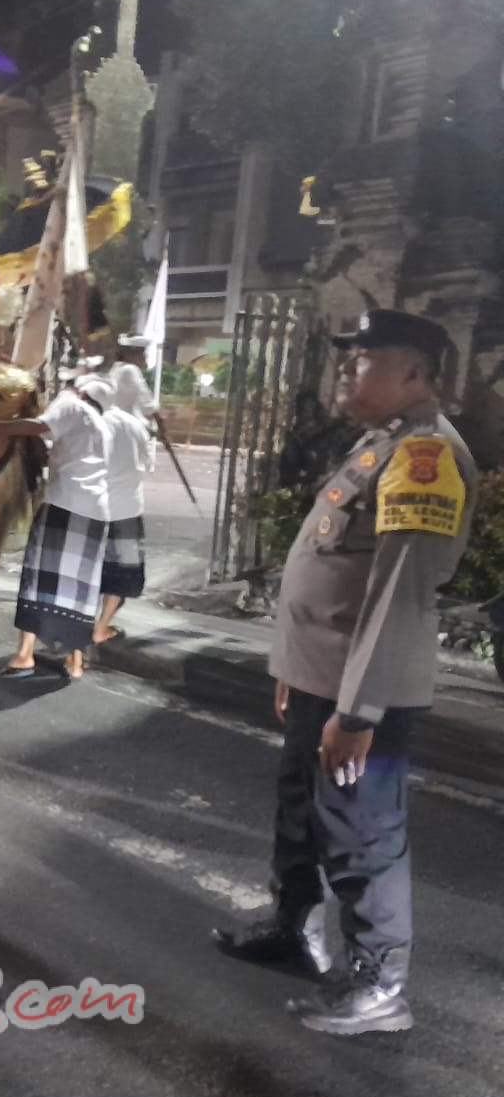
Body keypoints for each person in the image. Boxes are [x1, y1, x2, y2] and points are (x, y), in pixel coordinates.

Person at [214, 310, 477, 1035]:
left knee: (363, 833)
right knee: (302, 814)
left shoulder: (427, 459)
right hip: (320, 678)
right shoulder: (380, 445)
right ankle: (293, 930)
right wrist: (297, 672)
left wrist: (358, 712)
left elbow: (395, 596)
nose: (344, 370)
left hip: (366, 693)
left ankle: (379, 984)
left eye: (362, 360)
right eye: (345, 359)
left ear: (415, 374)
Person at [0, 373, 110, 680]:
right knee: (79, 588)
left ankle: (24, 656)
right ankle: (75, 662)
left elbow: (37, 427)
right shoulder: (102, 425)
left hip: (64, 506)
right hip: (96, 512)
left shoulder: (73, 406)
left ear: (81, 391)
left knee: (39, 578)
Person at [92, 379, 151, 645]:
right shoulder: (135, 425)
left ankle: (78, 630)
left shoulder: (90, 423)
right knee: (121, 576)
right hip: (126, 509)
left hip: (91, 508)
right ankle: (101, 628)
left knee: (87, 571)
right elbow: (146, 464)